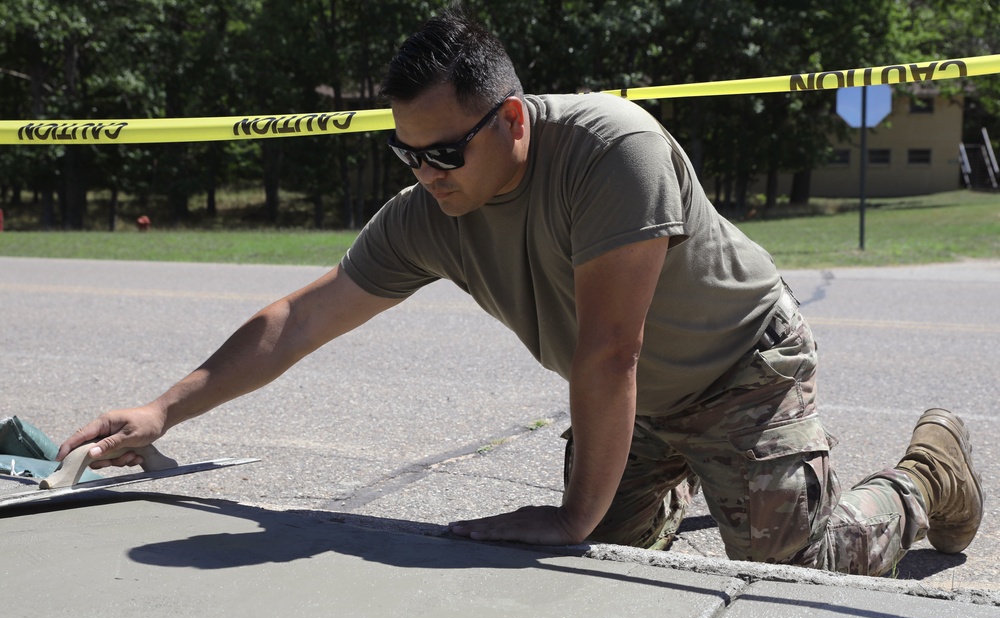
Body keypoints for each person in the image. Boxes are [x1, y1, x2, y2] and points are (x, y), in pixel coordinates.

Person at [59, 10, 982, 576]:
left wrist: (574, 512)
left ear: (509, 119)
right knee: (601, 561)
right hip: (636, 400)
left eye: (445, 150)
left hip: (740, 366)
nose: (426, 173)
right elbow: (302, 317)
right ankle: (667, 489)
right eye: (406, 153)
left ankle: (923, 473)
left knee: (793, 561)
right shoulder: (433, 209)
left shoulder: (614, 151)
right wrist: (162, 409)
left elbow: (610, 347)